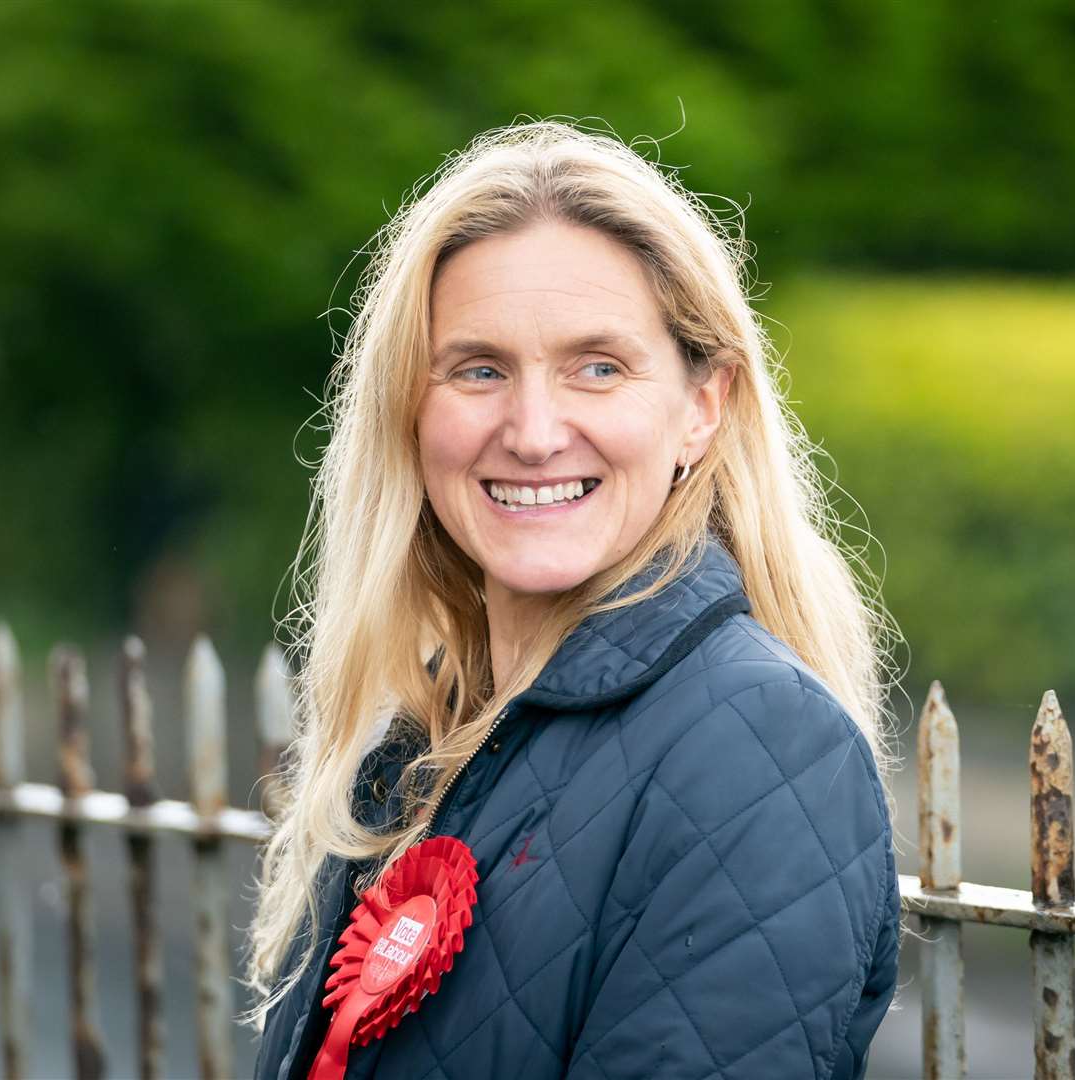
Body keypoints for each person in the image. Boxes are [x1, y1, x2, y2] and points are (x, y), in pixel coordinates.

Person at [246, 120, 902, 1080]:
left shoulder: (760, 749)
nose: (534, 430)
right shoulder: (432, 728)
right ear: (410, 409)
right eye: (480, 370)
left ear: (700, 407)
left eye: (598, 366)